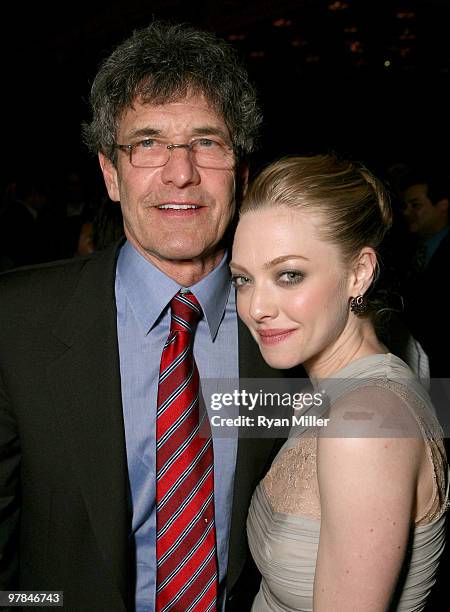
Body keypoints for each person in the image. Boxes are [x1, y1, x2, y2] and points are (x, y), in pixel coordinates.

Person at [0, 21, 297, 611]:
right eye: (149, 143)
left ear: (240, 176)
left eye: (207, 142)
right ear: (111, 174)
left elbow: (398, 420)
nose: (180, 172)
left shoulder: (295, 326)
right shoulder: (15, 323)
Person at [230, 154, 449, 611]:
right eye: (243, 279)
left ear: (358, 273)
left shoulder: (363, 427)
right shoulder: (339, 391)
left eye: (288, 275)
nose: (256, 307)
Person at [398, 170, 450, 378]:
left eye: (416, 205)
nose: (407, 212)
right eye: (406, 206)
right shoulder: (408, 250)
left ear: (442, 205)